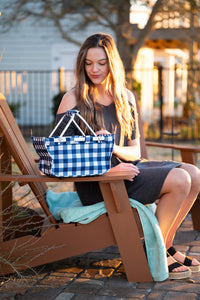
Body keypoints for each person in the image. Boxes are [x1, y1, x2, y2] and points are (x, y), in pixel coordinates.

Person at [54, 33, 200, 280]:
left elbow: (134, 151)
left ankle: (165, 244)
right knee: (180, 180)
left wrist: (112, 148)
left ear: (112, 63)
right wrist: (107, 170)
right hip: (100, 183)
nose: (94, 69)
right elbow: (60, 156)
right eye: (88, 63)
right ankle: (155, 251)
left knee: (194, 175)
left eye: (101, 62)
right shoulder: (73, 99)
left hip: (128, 172)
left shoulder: (126, 97)